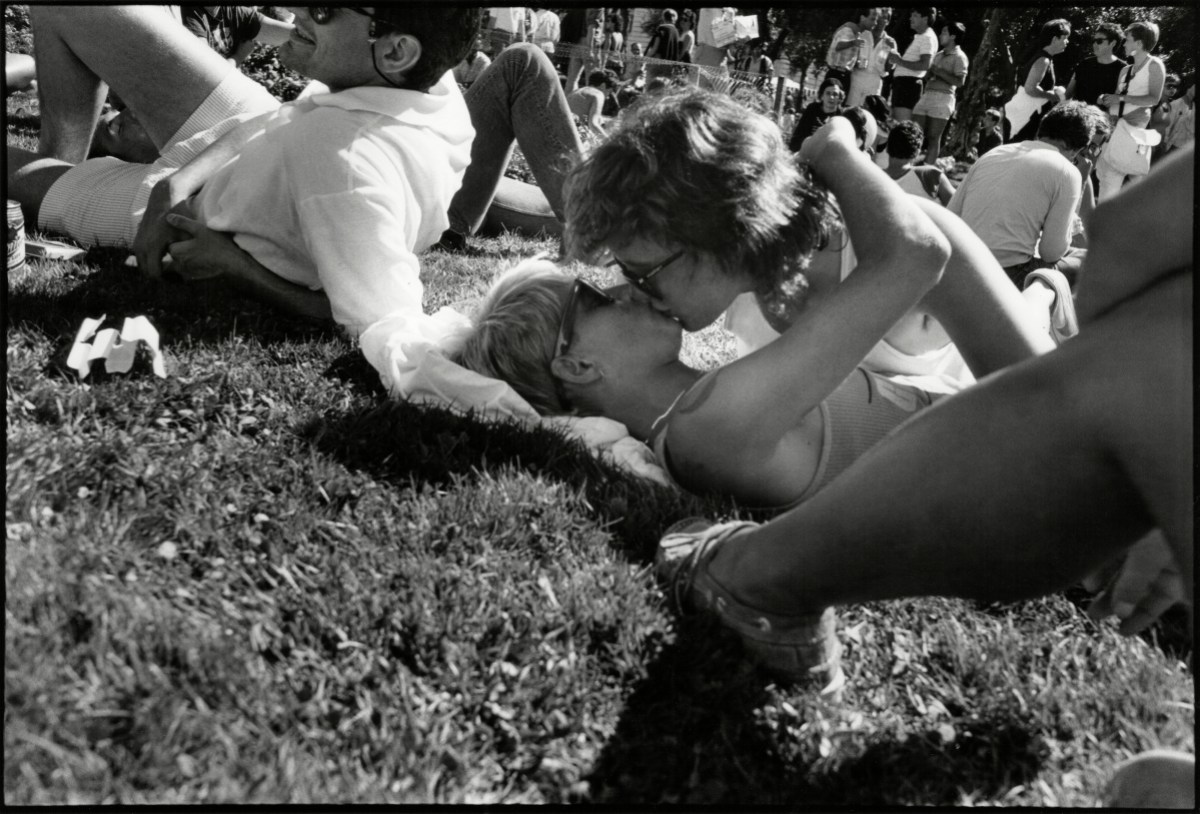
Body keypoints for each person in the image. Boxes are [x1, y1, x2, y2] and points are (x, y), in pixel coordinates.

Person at [654, 145, 1193, 807]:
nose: (630, 288)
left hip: (1034, 442)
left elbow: (1125, 254)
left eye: (640, 270)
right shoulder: (727, 338)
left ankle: (755, 579)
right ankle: (756, 579)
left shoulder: (890, 237)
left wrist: (1139, 453)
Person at [7, 9, 575, 352]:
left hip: (202, 220)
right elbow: (286, 115)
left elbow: (380, 321)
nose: (297, 11)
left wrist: (235, 267)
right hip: (235, 142)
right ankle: (65, 162)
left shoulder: (347, 166)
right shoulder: (422, 79)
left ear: (397, 49)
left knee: (22, 178)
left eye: (323, 8)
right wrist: (178, 179)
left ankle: (57, 181)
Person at [949, 101, 1109, 288]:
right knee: (1090, 261)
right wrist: (1078, 185)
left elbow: (952, 213)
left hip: (958, 262)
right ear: (1079, 149)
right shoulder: (1067, 171)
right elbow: (1051, 252)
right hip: (1004, 272)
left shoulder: (994, 153)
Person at [1094, 22, 1166, 200]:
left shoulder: (1155, 65)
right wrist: (1106, 98)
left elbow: (1154, 99)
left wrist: (1121, 98)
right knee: (1107, 186)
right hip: (1115, 134)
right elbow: (1119, 98)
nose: (1124, 44)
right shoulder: (1125, 70)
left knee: (1138, 192)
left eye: (1127, 40)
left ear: (1139, 44)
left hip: (1134, 139)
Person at [911, 20, 967, 166]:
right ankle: (909, 165)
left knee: (933, 137)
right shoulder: (938, 54)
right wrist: (929, 74)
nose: (941, 35)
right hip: (927, 94)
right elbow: (931, 74)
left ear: (953, 37)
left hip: (944, 98)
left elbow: (960, 82)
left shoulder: (960, 57)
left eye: (944, 32)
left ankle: (927, 171)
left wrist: (939, 72)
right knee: (915, 131)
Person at [1004, 19, 1070, 143]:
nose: (1067, 42)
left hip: (1025, 115)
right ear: (1055, 39)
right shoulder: (1043, 60)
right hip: (1024, 117)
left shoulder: (1046, 58)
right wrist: (1051, 95)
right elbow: (1030, 88)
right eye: (1065, 38)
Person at [181, 5, 295, 66]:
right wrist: (238, 57)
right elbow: (203, 70)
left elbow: (290, 35)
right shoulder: (190, 13)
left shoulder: (232, 11)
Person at [883, 121, 954, 205]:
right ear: (917, 152)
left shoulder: (873, 177)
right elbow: (958, 206)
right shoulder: (929, 175)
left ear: (887, 148)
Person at [886, 7, 937, 122]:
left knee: (900, 124)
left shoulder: (927, 38)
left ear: (925, 19)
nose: (910, 18)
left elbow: (925, 65)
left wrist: (899, 61)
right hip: (903, 84)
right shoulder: (922, 37)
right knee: (894, 123)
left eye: (915, 15)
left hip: (908, 85)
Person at [1064, 22, 1126, 106]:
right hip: (1079, 115)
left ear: (1113, 43)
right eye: (1094, 41)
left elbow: (1124, 100)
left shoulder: (1123, 69)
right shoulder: (1084, 64)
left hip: (1104, 117)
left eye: (1099, 41)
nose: (1094, 44)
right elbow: (1068, 94)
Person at [828, 9, 878, 103]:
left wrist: (857, 63)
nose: (875, 23)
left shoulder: (857, 32)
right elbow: (838, 46)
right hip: (836, 75)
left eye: (876, 20)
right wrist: (853, 43)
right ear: (862, 18)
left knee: (839, 108)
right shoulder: (849, 29)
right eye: (872, 19)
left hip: (844, 75)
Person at [848, 7, 895, 108]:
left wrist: (892, 51)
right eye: (879, 17)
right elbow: (850, 57)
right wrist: (855, 63)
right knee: (850, 111)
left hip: (874, 83)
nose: (880, 20)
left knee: (868, 114)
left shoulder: (891, 42)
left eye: (884, 18)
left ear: (888, 21)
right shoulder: (862, 35)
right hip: (856, 79)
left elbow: (888, 69)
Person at [789, 77, 845, 153]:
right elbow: (799, 134)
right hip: (807, 151)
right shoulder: (812, 109)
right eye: (828, 93)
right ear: (822, 95)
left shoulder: (841, 116)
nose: (831, 97)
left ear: (840, 98)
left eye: (835, 94)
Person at [567, 69, 615, 139]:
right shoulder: (598, 94)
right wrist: (609, 142)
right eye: (609, 92)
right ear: (603, 86)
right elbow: (593, 124)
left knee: (601, 120)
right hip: (573, 134)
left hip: (563, 129)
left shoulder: (577, 92)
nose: (607, 97)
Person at [1148, 72, 1181, 163]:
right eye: (1170, 86)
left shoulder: (1171, 105)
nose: (1173, 89)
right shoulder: (1152, 103)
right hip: (1148, 144)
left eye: (1175, 87)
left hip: (1162, 145)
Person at [645, 8, 681, 79]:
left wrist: (645, 58)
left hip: (657, 64)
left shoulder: (661, 29)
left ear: (663, 17)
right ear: (674, 20)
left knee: (651, 86)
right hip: (669, 67)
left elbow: (655, 48)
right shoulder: (676, 32)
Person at [1163, 78, 1195, 155]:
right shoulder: (1175, 104)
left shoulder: (1194, 106)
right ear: (1188, 88)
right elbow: (1167, 126)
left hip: (1187, 149)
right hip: (1173, 147)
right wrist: (1164, 145)